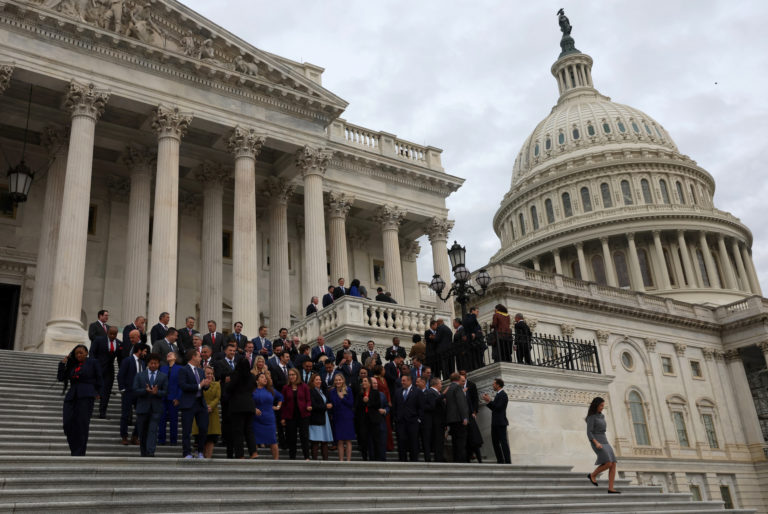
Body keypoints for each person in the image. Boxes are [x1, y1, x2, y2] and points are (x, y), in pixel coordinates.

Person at [57, 344, 103, 456]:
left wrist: (98, 393)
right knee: (67, 424)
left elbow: (100, 379)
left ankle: (79, 453)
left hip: (86, 395)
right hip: (72, 396)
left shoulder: (93, 362)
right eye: (77, 353)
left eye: (81, 352)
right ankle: (74, 449)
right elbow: (61, 378)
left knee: (82, 425)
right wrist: (63, 363)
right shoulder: (73, 364)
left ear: (87, 353)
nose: (79, 355)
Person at [178, 349, 211, 459]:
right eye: (199, 356)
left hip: (200, 403)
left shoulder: (201, 371)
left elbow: (204, 388)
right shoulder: (183, 370)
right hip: (188, 403)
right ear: (193, 357)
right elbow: (183, 386)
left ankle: (200, 451)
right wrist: (199, 386)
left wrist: (206, 384)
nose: (201, 358)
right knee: (186, 430)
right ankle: (186, 452)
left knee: (203, 428)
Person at [133, 352, 168, 457]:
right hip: (142, 407)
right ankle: (143, 452)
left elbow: (166, 392)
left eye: (156, 363)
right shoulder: (140, 375)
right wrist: (145, 390)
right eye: (151, 363)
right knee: (142, 432)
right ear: (148, 363)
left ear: (159, 364)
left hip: (156, 408)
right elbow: (135, 390)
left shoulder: (163, 376)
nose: (153, 365)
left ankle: (151, 451)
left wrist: (157, 392)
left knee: (153, 430)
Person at [117, 336, 147, 445]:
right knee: (125, 415)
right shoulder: (127, 360)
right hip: (128, 392)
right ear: (139, 351)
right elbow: (120, 375)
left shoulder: (143, 363)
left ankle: (135, 436)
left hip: (139, 393)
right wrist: (123, 389)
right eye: (144, 351)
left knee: (141, 416)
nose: (145, 353)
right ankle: (124, 437)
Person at [225, 359, 258, 459]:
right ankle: (254, 452)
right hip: (250, 405)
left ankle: (240, 454)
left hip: (237, 406)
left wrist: (227, 383)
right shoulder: (252, 376)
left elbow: (229, 389)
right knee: (249, 430)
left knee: (238, 431)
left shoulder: (235, 375)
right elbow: (254, 387)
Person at [586, 397, 620, 494]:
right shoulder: (591, 417)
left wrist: (605, 442)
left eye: (603, 406)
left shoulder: (602, 416)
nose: (602, 407)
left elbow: (603, 431)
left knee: (613, 463)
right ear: (596, 405)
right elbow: (589, 433)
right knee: (608, 462)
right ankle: (592, 475)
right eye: (601, 405)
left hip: (605, 440)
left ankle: (611, 488)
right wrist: (596, 443)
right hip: (596, 441)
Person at [214, 342, 240, 458]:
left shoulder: (237, 363)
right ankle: (225, 438)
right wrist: (227, 377)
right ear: (225, 351)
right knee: (225, 418)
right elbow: (219, 376)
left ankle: (233, 438)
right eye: (230, 350)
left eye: (234, 351)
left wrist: (231, 378)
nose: (232, 353)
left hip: (236, 395)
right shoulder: (220, 363)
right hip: (225, 394)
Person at [89, 325, 121, 418]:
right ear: (107, 333)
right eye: (110, 334)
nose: (112, 336)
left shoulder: (119, 343)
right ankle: (89, 411)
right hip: (97, 369)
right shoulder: (99, 340)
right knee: (93, 390)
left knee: (106, 392)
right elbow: (92, 353)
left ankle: (102, 412)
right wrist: (92, 366)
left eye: (114, 334)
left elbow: (120, 359)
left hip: (109, 371)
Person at [281, 367, 311, 460]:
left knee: (304, 436)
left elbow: (308, 399)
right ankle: (292, 457)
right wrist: (282, 417)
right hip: (290, 416)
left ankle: (306, 456)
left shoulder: (304, 386)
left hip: (303, 415)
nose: (291, 377)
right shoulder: (285, 388)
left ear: (297, 375)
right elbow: (283, 403)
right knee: (291, 437)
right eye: (289, 375)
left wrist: (308, 406)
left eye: (293, 375)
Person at [252, 371, 283, 459]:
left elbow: (281, 397)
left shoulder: (271, 389)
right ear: (257, 381)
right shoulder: (253, 390)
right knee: (255, 440)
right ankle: (254, 458)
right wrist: (253, 408)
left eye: (265, 377)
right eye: (262, 377)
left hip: (269, 419)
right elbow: (248, 401)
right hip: (256, 419)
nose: (265, 378)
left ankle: (276, 460)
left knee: (272, 440)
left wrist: (278, 406)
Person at [392, 374, 423, 462]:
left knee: (413, 443)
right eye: (402, 381)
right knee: (401, 443)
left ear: (409, 381)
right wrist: (396, 418)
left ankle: (414, 461)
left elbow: (421, 407)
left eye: (404, 381)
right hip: (401, 423)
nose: (402, 382)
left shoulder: (417, 391)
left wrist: (419, 419)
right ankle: (402, 461)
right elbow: (395, 406)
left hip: (413, 422)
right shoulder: (398, 392)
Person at [192, 365, 221, 459]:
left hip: (212, 413)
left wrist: (210, 406)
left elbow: (217, 397)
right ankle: (201, 456)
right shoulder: (199, 384)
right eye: (208, 373)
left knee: (211, 439)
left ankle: (207, 458)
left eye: (211, 374)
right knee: (201, 436)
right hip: (200, 411)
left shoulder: (217, 384)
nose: (210, 375)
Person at [482, 378, 511, 464]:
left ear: (498, 385)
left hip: (501, 423)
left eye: (494, 384)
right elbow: (494, 408)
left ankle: (507, 461)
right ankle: (500, 460)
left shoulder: (503, 395)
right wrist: (488, 401)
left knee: (503, 443)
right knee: (495, 443)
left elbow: (498, 408)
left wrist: (490, 400)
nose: (493, 385)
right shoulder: (498, 394)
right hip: (495, 423)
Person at [354, 376, 383, 461]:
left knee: (376, 440)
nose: (364, 383)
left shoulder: (375, 392)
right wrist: (363, 401)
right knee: (364, 440)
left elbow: (377, 405)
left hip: (374, 420)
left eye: (365, 381)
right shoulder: (360, 394)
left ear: (369, 383)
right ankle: (364, 458)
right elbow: (357, 406)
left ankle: (376, 458)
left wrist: (368, 402)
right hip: (363, 420)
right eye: (363, 381)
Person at [328, 374, 354, 461]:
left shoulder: (348, 390)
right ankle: (341, 460)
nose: (338, 382)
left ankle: (349, 460)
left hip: (347, 417)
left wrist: (342, 398)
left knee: (348, 440)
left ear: (343, 380)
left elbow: (351, 403)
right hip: (338, 417)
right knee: (339, 440)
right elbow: (333, 403)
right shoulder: (332, 391)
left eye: (339, 380)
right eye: (336, 380)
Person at [158, 351, 182, 446]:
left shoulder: (180, 369)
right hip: (163, 398)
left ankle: (173, 440)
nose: (168, 355)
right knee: (161, 419)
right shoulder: (163, 368)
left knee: (173, 420)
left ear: (175, 358)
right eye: (167, 354)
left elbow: (181, 385)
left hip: (173, 398)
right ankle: (161, 439)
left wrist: (178, 398)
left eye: (171, 354)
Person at [444, 372, 468, 462]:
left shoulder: (449, 388)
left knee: (455, 441)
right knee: (461, 441)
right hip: (459, 419)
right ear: (458, 379)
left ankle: (457, 460)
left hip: (451, 419)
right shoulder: (458, 387)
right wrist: (464, 417)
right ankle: (462, 461)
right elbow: (461, 403)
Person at [308, 373, 334, 460]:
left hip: (324, 418)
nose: (319, 381)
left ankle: (326, 462)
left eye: (320, 380)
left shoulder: (322, 391)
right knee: (315, 442)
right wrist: (325, 406)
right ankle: (314, 462)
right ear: (312, 381)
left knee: (324, 442)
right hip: (316, 420)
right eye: (317, 380)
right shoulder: (311, 391)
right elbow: (313, 405)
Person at [460, 370, 483, 463]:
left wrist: (475, 412)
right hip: (464, 417)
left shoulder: (471, 385)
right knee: (468, 439)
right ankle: (469, 457)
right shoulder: (458, 388)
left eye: (463, 376)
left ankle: (479, 458)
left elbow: (475, 399)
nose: (463, 379)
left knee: (474, 438)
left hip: (470, 415)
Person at [372, 367, 394, 452]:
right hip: (379, 404)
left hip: (385, 405)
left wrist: (389, 400)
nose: (385, 371)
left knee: (388, 426)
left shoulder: (384, 379)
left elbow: (387, 391)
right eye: (383, 370)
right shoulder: (375, 379)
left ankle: (389, 446)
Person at [425, 377, 446, 462]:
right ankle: (438, 458)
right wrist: (443, 395)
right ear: (436, 384)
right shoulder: (430, 392)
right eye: (440, 383)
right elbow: (433, 404)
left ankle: (440, 456)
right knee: (437, 440)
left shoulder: (437, 393)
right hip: (436, 421)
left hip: (440, 421)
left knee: (440, 440)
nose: (441, 385)